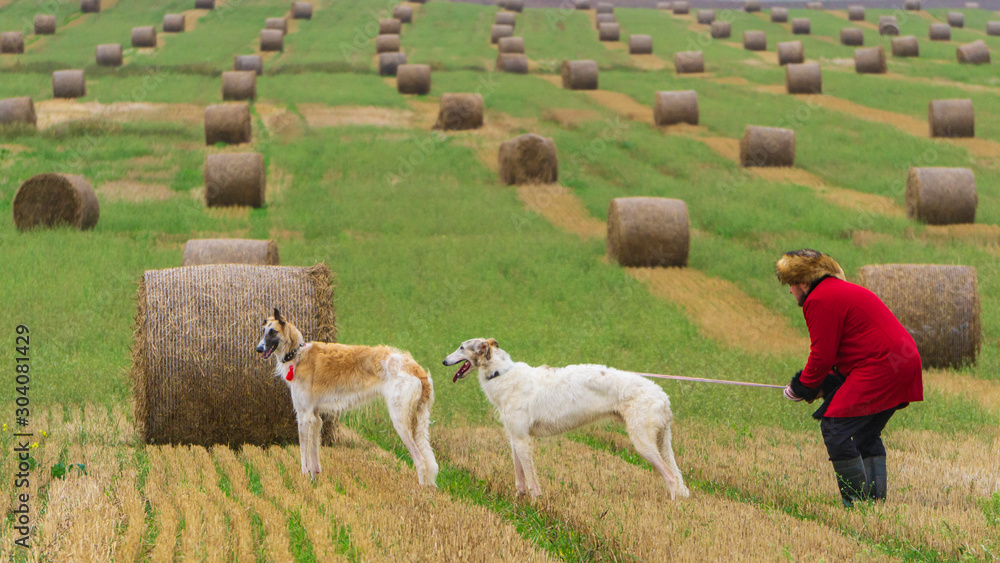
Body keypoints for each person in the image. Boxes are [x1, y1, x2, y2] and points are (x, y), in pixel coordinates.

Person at [776, 249, 923, 507]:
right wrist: (822, 384)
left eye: (790, 284)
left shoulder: (818, 299)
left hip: (882, 365)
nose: (790, 291)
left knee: (835, 428)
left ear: (802, 282)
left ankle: (855, 503)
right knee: (865, 433)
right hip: (903, 360)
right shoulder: (835, 291)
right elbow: (840, 353)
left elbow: (821, 356)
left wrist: (803, 387)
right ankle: (873, 504)